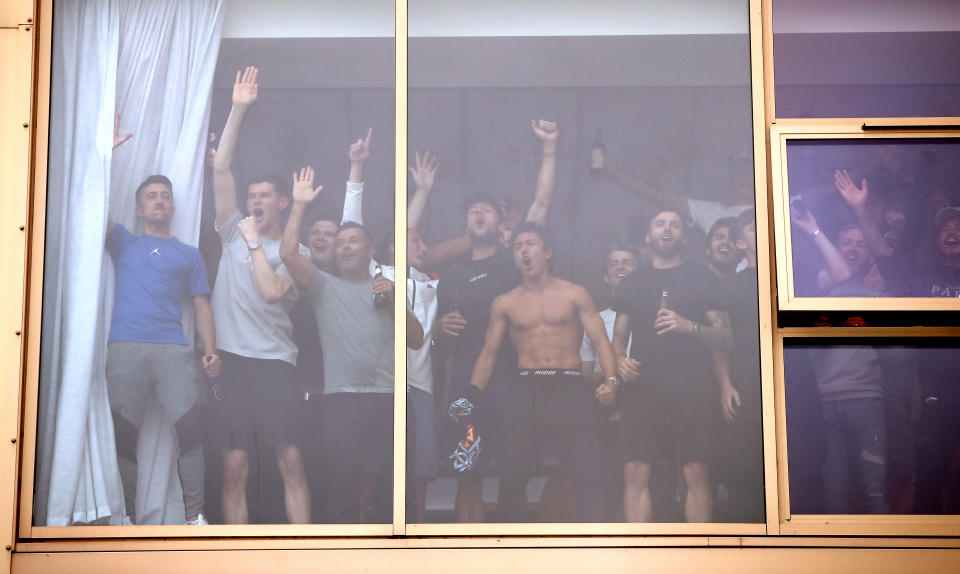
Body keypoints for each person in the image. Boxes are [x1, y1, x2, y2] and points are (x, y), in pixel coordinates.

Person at [450, 222, 618, 521]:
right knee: (512, 473)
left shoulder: (575, 293)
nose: (524, 250)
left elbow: (600, 339)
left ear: (548, 252)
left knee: (589, 472)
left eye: (530, 244)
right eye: (518, 246)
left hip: (569, 387)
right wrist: (471, 397)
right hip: (526, 389)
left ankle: (595, 550)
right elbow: (488, 353)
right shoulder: (505, 303)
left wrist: (611, 380)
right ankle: (510, 553)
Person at [435, 119, 560, 522]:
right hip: (466, 385)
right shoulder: (452, 274)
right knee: (465, 468)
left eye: (485, 210)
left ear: (499, 221)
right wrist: (440, 330)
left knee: (515, 469)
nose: (478, 216)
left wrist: (550, 147)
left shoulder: (514, 261)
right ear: (466, 224)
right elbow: (438, 337)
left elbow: (541, 204)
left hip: (512, 382)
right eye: (471, 212)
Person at [105, 119, 220, 525]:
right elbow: (91, 209)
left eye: (165, 196)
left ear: (172, 206)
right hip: (125, 346)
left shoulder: (187, 254)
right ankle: (129, 520)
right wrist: (108, 153)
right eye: (151, 196)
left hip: (173, 348)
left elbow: (202, 307)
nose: (158, 201)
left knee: (190, 431)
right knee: (123, 436)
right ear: (139, 208)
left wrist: (210, 352)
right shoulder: (124, 242)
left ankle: (194, 518)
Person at [209, 66, 311, 524]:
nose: (254, 202)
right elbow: (221, 167)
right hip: (234, 363)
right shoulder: (231, 230)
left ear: (283, 202)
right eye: (251, 196)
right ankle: (235, 557)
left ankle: (307, 552)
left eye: (264, 196)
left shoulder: (294, 251)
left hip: (275, 364)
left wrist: (254, 243)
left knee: (289, 460)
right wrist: (237, 109)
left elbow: (272, 294)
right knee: (234, 467)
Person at [279, 167, 404, 523]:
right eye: (340, 242)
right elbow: (288, 254)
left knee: (391, 486)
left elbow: (416, 339)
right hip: (342, 399)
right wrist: (299, 206)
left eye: (352, 240)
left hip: (389, 398)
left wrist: (395, 300)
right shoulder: (323, 286)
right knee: (343, 485)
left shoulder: (386, 286)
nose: (344, 246)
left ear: (371, 249)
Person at [612, 207, 735, 522]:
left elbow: (726, 336)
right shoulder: (631, 282)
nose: (667, 229)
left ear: (684, 237)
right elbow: (617, 339)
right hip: (642, 385)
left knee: (695, 470)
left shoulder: (701, 277)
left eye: (675, 225)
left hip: (691, 384)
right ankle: (636, 559)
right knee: (635, 469)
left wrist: (688, 326)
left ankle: (700, 562)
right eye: (660, 223)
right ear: (648, 235)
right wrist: (619, 362)